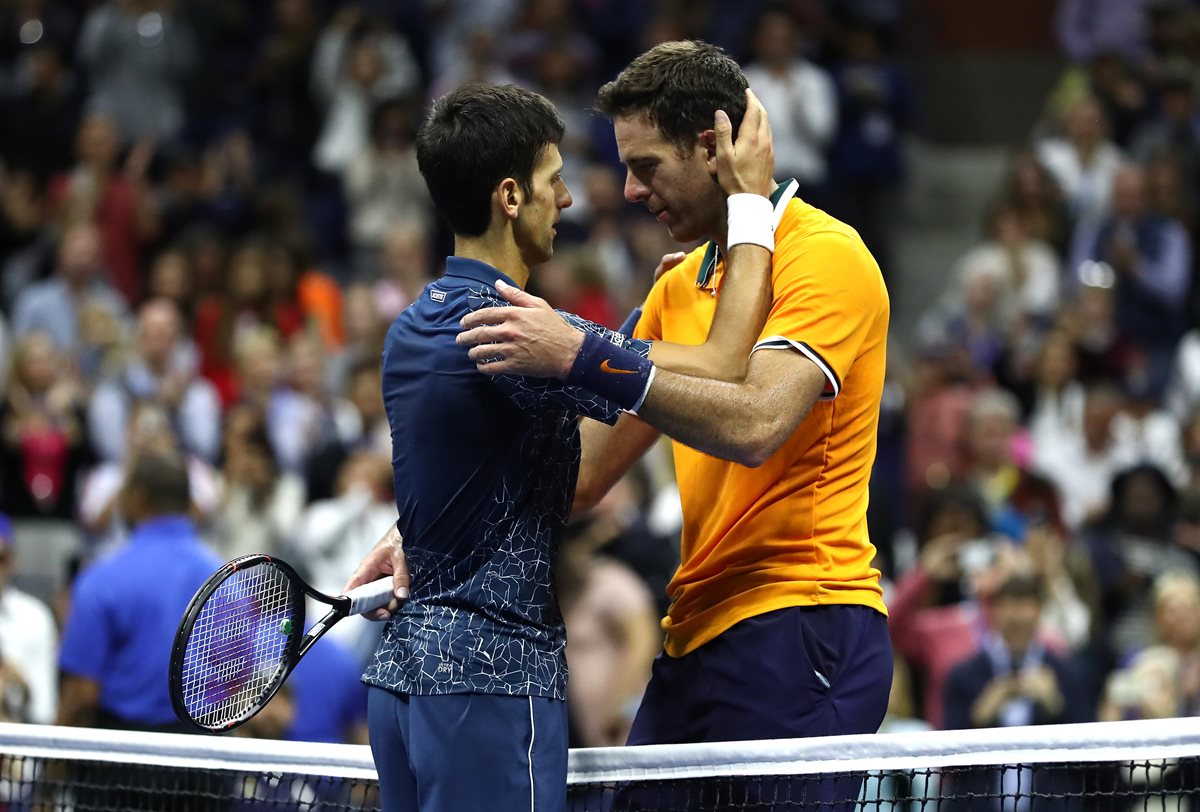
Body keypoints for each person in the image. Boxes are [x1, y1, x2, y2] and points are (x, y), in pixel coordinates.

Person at [453, 39, 893, 766]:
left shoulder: (825, 255)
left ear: (713, 148)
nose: (628, 189)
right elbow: (584, 476)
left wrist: (581, 352)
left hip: (802, 618)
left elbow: (756, 422)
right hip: (694, 635)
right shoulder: (677, 286)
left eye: (646, 166)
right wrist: (434, 532)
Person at [343, 80, 775, 812]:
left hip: (405, 686)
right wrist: (751, 209)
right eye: (554, 181)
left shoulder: (420, 322)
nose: (567, 200)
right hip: (490, 687)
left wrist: (638, 323)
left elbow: (523, 466)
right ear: (510, 197)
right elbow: (730, 363)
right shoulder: (516, 338)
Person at [57, 449, 221, 731]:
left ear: (138, 497)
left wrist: (50, 767)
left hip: (122, 760)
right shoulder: (227, 579)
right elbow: (240, 681)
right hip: (206, 759)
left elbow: (81, 696)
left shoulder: (103, 579)